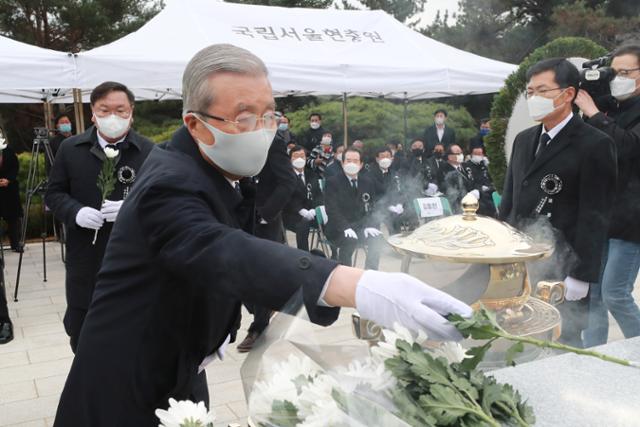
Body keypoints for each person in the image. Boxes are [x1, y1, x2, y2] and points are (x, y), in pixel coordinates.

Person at [52, 44, 472, 427]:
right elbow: (221, 250)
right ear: (195, 125)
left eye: (269, 114)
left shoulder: (215, 166)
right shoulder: (169, 181)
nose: (263, 129)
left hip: (180, 366)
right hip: (125, 390)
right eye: (244, 117)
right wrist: (356, 284)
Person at [499, 58, 616, 348]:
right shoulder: (524, 140)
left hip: (563, 264)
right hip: (522, 261)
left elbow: (595, 215)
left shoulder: (594, 143)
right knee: (518, 336)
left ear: (568, 94)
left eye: (542, 91)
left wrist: (581, 275)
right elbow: (510, 202)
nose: (533, 98)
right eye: (529, 92)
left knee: (562, 341)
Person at [45, 81, 155, 353]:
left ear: (132, 112)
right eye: (104, 110)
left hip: (134, 259)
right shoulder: (71, 149)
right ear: (92, 112)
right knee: (84, 337)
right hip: (86, 257)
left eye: (121, 110)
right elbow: (53, 193)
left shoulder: (149, 151)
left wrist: (131, 209)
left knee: (134, 337)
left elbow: (162, 201)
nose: (113, 117)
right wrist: (76, 212)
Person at [575, 44, 640, 347]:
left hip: (632, 219)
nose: (619, 78)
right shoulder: (612, 107)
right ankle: (594, 357)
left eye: (626, 72)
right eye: (615, 72)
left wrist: (594, 113)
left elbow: (628, 147)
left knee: (615, 293)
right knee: (595, 294)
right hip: (604, 215)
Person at [239, 126, 297, 353]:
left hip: (264, 218)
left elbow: (287, 182)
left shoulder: (272, 141)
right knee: (239, 273)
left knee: (260, 273)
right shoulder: (230, 136)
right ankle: (263, 308)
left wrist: (266, 213)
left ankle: (259, 326)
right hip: (238, 213)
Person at [325, 147, 384, 269]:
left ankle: (370, 274)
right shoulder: (332, 182)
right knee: (349, 240)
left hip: (361, 226)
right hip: (339, 229)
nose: (351, 163)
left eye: (355, 161)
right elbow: (332, 209)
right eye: (348, 160)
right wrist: (345, 227)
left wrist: (370, 225)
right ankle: (346, 275)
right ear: (342, 163)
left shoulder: (368, 182)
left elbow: (372, 207)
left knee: (377, 238)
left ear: (361, 164)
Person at [283, 145, 323, 251]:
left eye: (302, 156)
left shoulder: (311, 174)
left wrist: (315, 209)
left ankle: (334, 253)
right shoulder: (286, 176)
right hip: (292, 214)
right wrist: (301, 210)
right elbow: (287, 198)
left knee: (328, 219)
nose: (299, 159)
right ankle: (304, 256)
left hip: (312, 212)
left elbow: (318, 194)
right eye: (296, 156)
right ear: (290, 159)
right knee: (303, 224)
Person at [368, 147, 409, 234]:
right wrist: (388, 206)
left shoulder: (394, 173)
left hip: (393, 209)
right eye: (382, 156)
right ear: (377, 159)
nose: (385, 159)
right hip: (377, 209)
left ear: (392, 158)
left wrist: (400, 203)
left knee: (396, 232)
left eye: (388, 156)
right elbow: (373, 194)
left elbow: (400, 190)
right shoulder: (370, 174)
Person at [437, 144, 476, 213]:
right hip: (456, 202)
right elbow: (447, 188)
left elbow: (474, 181)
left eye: (461, 153)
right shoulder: (443, 169)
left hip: (472, 198)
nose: (461, 155)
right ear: (449, 157)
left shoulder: (466, 166)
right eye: (458, 153)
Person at [0, 138, 22, 253]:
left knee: (13, 218)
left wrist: (8, 179)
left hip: (9, 188)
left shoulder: (8, 150)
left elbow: (15, 166)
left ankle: (15, 243)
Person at [464, 146, 497, 217]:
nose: (478, 156)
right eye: (476, 154)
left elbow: (491, 179)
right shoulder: (467, 166)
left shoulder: (484, 165)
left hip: (489, 192)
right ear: (471, 154)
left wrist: (489, 166)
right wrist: (480, 188)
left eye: (480, 154)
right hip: (477, 194)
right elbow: (471, 182)